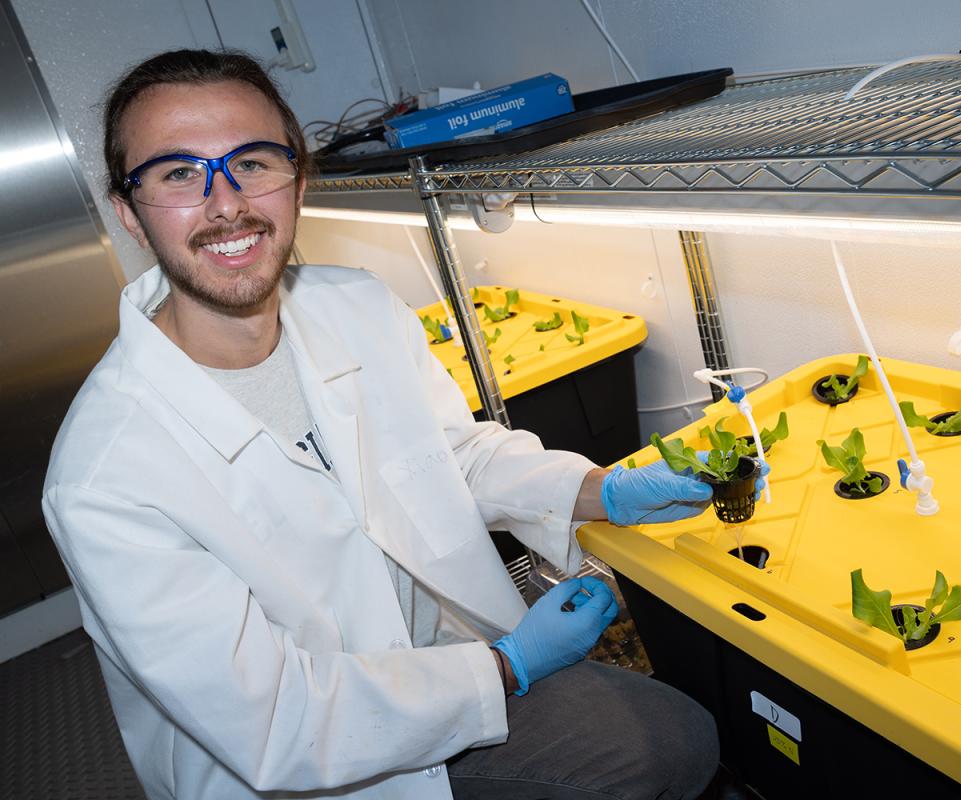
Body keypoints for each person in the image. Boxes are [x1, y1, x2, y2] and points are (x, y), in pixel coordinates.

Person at [41, 49, 740, 800]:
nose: (226, 203)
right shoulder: (104, 476)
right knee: (663, 745)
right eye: (178, 173)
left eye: (252, 161)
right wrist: (508, 665)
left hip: (438, 661)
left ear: (298, 179)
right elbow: (278, 723)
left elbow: (450, 455)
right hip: (309, 770)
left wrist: (600, 490)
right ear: (129, 213)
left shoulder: (356, 307)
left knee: (677, 735)